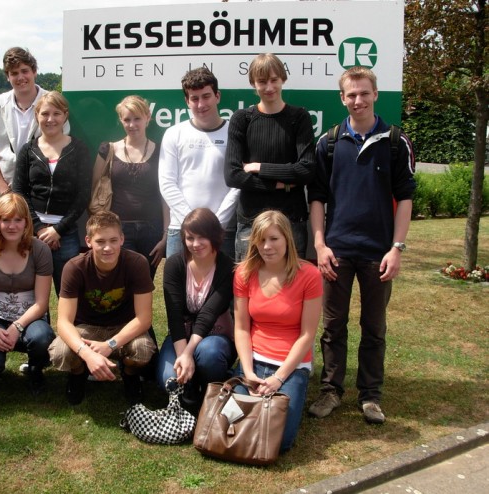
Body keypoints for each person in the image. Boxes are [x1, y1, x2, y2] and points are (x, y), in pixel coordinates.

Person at [308, 66, 416, 425]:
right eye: (351, 94)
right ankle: (331, 390)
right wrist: (320, 245)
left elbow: (405, 198)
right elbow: (318, 199)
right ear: (342, 98)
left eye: (364, 93)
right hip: (337, 251)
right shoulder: (330, 142)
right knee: (332, 326)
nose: (358, 100)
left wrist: (396, 248)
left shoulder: (396, 141)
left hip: (377, 254)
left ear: (375, 95)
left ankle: (370, 396)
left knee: (374, 327)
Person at [233, 210, 322, 452]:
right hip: (253, 361)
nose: (266, 246)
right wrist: (248, 371)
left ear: (287, 239)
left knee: (279, 442)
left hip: (290, 367)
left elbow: (307, 335)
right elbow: (241, 327)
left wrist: (278, 378)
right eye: (260, 240)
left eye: (273, 239)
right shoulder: (244, 273)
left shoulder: (309, 275)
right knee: (231, 423)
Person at [49, 211, 156, 406]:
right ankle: (78, 374)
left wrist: (110, 345)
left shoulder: (137, 263)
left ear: (122, 239)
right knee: (60, 352)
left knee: (143, 350)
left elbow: (144, 318)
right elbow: (63, 321)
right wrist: (87, 353)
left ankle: (130, 374)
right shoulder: (74, 267)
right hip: (87, 327)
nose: (108, 247)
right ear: (88, 241)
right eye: (100, 241)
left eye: (113, 240)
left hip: (123, 326)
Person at [224, 53, 316, 260]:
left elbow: (307, 170)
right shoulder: (242, 119)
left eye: (274, 80)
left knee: (291, 287)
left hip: (291, 220)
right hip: (250, 220)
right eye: (262, 81)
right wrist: (281, 184)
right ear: (253, 83)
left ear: (283, 79)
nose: (269, 87)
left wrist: (259, 167)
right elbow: (233, 175)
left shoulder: (299, 118)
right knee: (248, 286)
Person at [0, 193, 55, 394]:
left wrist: (17, 327)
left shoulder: (40, 250)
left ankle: (35, 368)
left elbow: (42, 303)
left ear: (26, 222)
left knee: (42, 337)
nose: (12, 226)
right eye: (6, 220)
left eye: (18, 220)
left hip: (30, 318)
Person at [156, 208, 236, 410]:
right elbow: (174, 316)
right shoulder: (175, 264)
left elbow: (208, 315)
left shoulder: (227, 267)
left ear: (215, 236)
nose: (195, 244)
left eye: (202, 237)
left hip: (215, 334)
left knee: (209, 355)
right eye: (190, 238)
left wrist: (187, 354)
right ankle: (190, 386)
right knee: (168, 379)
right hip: (181, 333)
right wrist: (183, 356)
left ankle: (212, 386)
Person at [13, 91, 91, 295]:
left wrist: (58, 230)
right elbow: (19, 192)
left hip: (66, 234)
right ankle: (40, 328)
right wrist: (39, 229)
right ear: (37, 115)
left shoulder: (79, 149)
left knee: (68, 293)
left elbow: (83, 193)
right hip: (31, 233)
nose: (50, 119)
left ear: (65, 116)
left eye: (57, 113)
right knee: (31, 294)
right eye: (45, 114)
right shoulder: (28, 150)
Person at [158, 67, 239, 259]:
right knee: (178, 289)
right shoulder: (174, 133)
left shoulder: (235, 133)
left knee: (221, 289)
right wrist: (192, 224)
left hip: (222, 230)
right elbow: (167, 183)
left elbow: (238, 183)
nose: (201, 104)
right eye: (194, 98)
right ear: (187, 101)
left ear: (217, 96)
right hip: (181, 229)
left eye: (206, 96)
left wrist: (216, 224)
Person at [91, 95, 169, 280]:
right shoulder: (108, 149)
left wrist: (165, 235)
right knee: (119, 282)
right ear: (121, 120)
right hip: (117, 230)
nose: (132, 124)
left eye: (137, 118)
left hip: (152, 230)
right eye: (127, 119)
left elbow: (165, 196)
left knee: (144, 282)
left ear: (148, 117)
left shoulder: (161, 151)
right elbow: (95, 189)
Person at [0, 47, 48, 226]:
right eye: (14, 73)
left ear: (35, 72)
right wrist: (4, 192)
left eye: (25, 71)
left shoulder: (51, 102)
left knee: (35, 252)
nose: (20, 77)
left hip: (39, 197)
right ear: (7, 76)